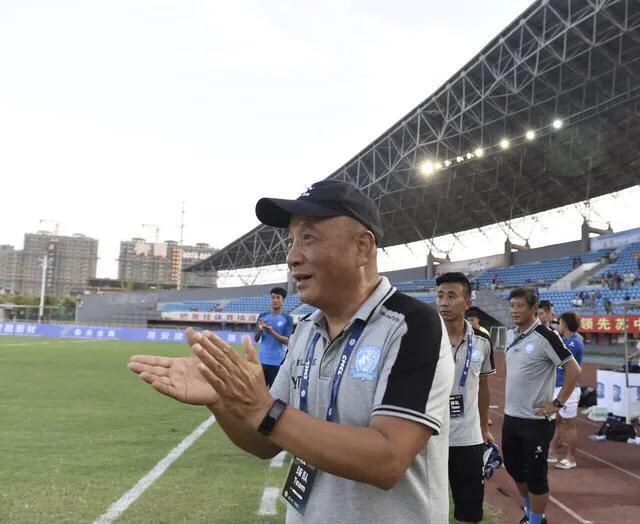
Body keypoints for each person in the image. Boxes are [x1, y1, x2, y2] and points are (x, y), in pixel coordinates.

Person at [128, 179, 454, 524]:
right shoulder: (305, 330)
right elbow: (266, 442)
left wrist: (262, 409)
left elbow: (387, 460)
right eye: (292, 241)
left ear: (361, 247)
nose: (292, 257)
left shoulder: (412, 326)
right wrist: (221, 400)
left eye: (308, 238)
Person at [502, 287, 581, 524]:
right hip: (511, 417)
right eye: (512, 305)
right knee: (514, 469)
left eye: (520, 306)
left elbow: (573, 369)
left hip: (536, 421)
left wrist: (557, 403)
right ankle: (532, 514)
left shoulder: (547, 336)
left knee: (536, 477)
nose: (514, 310)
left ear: (534, 308)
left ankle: (535, 521)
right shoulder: (510, 334)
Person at [436, 272, 495, 524]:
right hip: (429, 437)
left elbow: (483, 385)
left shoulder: (482, 341)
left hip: (468, 438)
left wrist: (484, 427)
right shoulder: (423, 337)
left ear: (467, 302)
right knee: (426, 510)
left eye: (452, 296)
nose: (444, 302)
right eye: (440, 296)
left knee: (469, 512)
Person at [548, 312, 584, 470]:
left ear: (566, 324)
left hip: (569, 389)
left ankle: (571, 458)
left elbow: (558, 359)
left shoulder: (574, 342)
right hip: (558, 386)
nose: (559, 325)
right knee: (555, 421)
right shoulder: (566, 340)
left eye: (560, 322)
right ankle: (552, 452)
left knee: (569, 424)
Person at [254, 287, 294, 387]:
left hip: (277, 362)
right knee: (259, 392)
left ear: (283, 300)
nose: (275, 300)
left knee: (274, 393)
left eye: (278, 298)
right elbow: (255, 339)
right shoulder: (262, 316)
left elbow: (287, 341)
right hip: (261, 361)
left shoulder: (287, 318)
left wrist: (271, 332)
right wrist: (260, 331)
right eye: (273, 298)